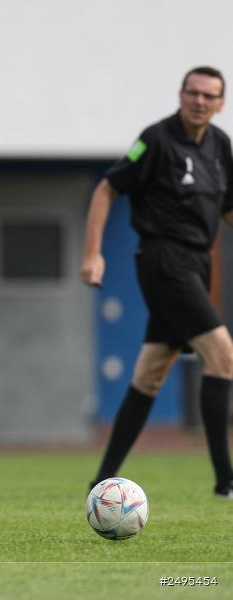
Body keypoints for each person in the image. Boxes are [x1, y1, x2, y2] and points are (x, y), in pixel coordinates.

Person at [80, 66, 233, 498]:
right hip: (164, 260)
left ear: (220, 104)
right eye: (193, 93)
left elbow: (227, 208)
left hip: (198, 262)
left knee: (150, 374)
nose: (200, 101)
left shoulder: (221, 146)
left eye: (210, 96)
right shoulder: (156, 139)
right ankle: (227, 482)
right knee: (222, 354)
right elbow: (106, 189)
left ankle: (102, 479)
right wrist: (93, 253)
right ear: (181, 94)